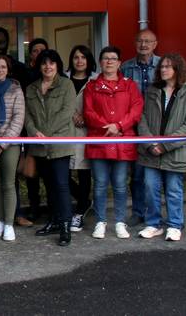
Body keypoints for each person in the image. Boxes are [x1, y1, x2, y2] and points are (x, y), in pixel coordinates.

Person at [137, 54, 186, 242]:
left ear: (177, 70)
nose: (163, 69)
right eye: (162, 67)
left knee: (173, 189)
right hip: (151, 152)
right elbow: (142, 119)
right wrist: (150, 143)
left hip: (175, 152)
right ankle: (153, 224)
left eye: (168, 67)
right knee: (149, 187)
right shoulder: (151, 91)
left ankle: (174, 225)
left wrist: (164, 146)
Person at [83, 46, 143, 239]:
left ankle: (119, 222)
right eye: (106, 58)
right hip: (99, 142)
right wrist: (107, 127)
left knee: (119, 184)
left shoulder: (130, 85)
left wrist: (119, 125)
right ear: (100, 62)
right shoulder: (91, 86)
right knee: (100, 184)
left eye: (113, 58)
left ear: (119, 63)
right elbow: (88, 112)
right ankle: (100, 221)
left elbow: (136, 110)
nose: (109, 61)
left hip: (122, 142)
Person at [24, 49, 76, 246]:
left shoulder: (66, 85)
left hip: (59, 143)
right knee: (49, 185)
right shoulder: (31, 88)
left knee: (62, 185)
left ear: (58, 65)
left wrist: (45, 133)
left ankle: (65, 226)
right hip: (38, 144)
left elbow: (67, 113)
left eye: (52, 63)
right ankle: (54, 221)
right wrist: (33, 131)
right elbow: (28, 116)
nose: (48, 66)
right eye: (44, 63)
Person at [121, 29, 161, 227]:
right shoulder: (126, 68)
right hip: (134, 127)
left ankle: (158, 214)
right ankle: (138, 212)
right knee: (137, 175)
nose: (143, 45)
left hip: (157, 126)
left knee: (158, 175)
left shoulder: (163, 65)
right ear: (135, 43)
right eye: (140, 41)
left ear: (155, 44)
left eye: (148, 41)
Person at [0, 55, 25, 242]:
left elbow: (18, 119)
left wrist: (2, 144)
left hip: (10, 144)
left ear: (8, 69)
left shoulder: (16, 89)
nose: (0, 70)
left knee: (8, 183)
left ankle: (9, 224)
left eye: (3, 67)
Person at [66, 45, 96, 232]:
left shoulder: (95, 80)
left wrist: (86, 116)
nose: (79, 61)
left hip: (86, 131)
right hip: (66, 131)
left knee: (84, 172)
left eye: (83, 57)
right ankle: (83, 200)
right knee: (63, 172)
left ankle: (81, 208)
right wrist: (72, 114)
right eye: (76, 57)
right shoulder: (63, 79)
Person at [22, 37, 49, 223]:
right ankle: (34, 207)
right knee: (31, 173)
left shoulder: (54, 75)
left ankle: (53, 208)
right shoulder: (26, 75)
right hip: (29, 131)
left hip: (51, 134)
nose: (38, 54)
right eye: (34, 50)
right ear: (30, 54)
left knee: (50, 173)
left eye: (42, 50)